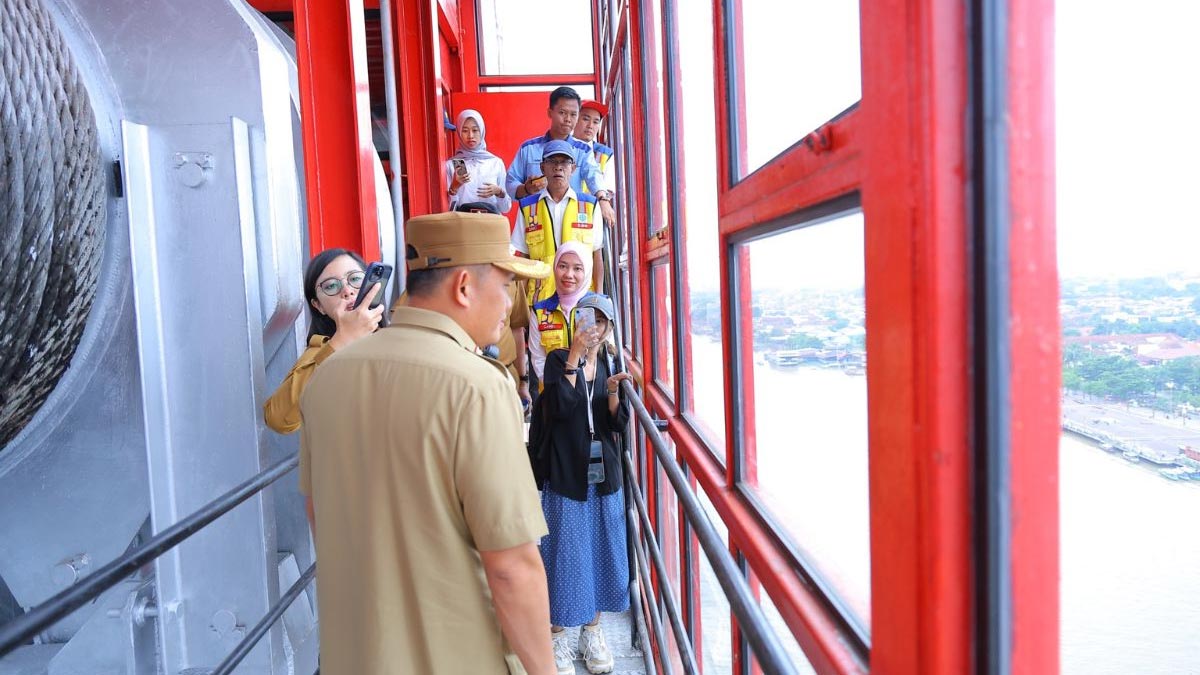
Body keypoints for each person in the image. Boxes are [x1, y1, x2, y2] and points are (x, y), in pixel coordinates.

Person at [298, 212, 556, 674]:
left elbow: (318, 513)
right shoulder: (478, 387)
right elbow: (511, 566)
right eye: (505, 285)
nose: (509, 304)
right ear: (464, 286)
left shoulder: (326, 378)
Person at [527, 293, 632, 675]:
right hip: (565, 473)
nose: (595, 328)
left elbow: (617, 425)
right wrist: (574, 355)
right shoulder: (558, 360)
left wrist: (614, 391)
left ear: (609, 328)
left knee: (601, 550)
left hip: (603, 474)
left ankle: (592, 631)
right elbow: (560, 408)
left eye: (602, 322)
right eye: (588, 319)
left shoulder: (611, 363)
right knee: (563, 554)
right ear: (576, 322)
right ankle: (557, 635)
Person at [262, 248, 383, 434]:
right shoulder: (318, 355)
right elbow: (279, 419)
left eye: (355, 279)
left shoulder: (397, 335)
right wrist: (343, 340)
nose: (347, 291)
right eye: (331, 286)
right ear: (318, 306)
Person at [458, 201, 534, 408]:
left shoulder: (511, 275)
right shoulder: (440, 281)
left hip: (505, 374)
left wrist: (523, 381)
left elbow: (517, 328)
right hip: (462, 382)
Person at [506, 87, 615, 228]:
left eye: (573, 114)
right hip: (536, 224)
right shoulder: (528, 148)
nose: (568, 119)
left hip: (572, 224)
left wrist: (603, 200)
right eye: (562, 113)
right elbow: (510, 184)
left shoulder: (583, 151)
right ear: (550, 112)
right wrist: (526, 189)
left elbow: (593, 176)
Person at [512, 141, 602, 304]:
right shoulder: (527, 207)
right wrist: (520, 307)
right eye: (552, 161)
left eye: (564, 162)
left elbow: (597, 255)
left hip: (581, 301)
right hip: (540, 302)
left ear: (573, 168)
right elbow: (523, 259)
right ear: (542, 168)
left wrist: (598, 299)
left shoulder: (590, 206)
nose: (558, 167)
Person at [526, 241, 594, 382]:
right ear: (554, 267)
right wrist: (562, 389)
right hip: (553, 390)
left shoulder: (596, 308)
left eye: (577, 268)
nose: (569, 274)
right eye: (562, 266)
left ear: (587, 271)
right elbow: (538, 360)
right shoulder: (540, 311)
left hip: (590, 391)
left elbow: (606, 356)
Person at [447, 109, 513, 214]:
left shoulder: (495, 163)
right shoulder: (455, 164)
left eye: (475, 130)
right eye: (465, 131)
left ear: (481, 131)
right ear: (459, 133)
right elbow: (448, 211)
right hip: (464, 222)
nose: (470, 136)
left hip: (491, 222)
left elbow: (506, 208)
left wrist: (499, 192)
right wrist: (454, 188)